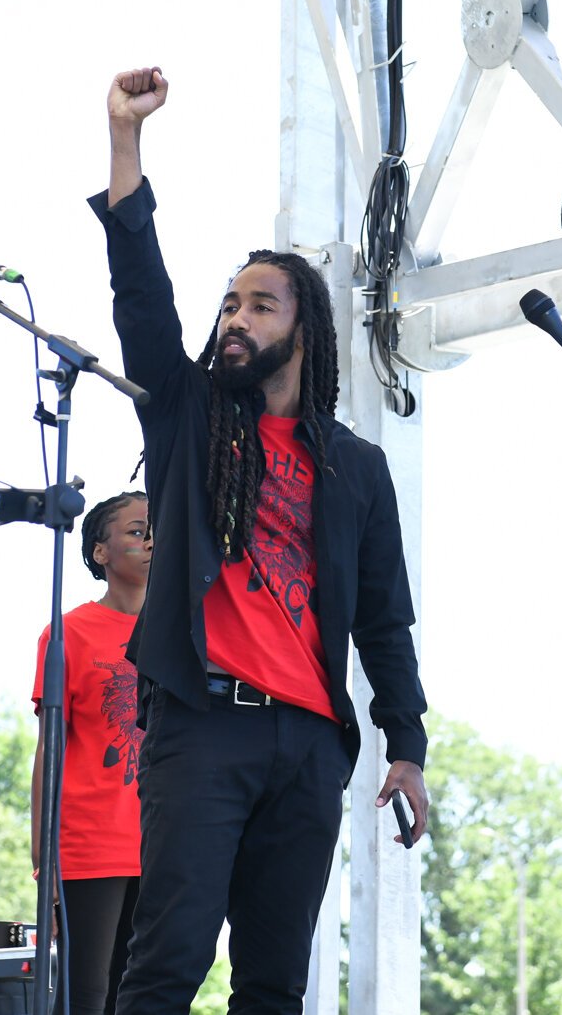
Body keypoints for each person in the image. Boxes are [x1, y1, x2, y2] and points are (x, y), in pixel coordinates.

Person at [88, 68, 430, 1013]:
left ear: (303, 331)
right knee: (168, 960)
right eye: (231, 304)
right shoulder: (191, 414)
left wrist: (406, 741)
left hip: (311, 742)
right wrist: (126, 143)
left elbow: (383, 618)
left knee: (277, 982)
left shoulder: (355, 467)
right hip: (204, 723)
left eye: (260, 306)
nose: (235, 319)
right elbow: (141, 297)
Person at [30, 491, 151, 1015]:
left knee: (147, 994)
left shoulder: (189, 630)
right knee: (87, 998)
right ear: (100, 552)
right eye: (136, 530)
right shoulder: (68, 633)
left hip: (166, 844)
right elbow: (48, 754)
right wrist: (43, 861)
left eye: (156, 529)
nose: (151, 540)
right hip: (90, 847)